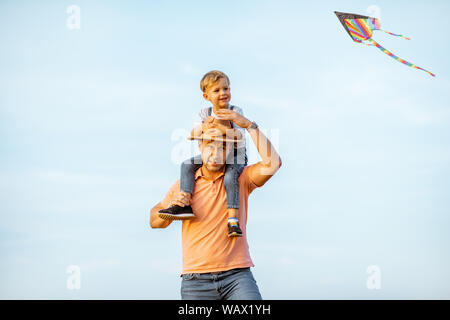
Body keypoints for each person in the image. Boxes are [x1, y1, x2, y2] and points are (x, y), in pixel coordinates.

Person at [150, 109, 282, 300]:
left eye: (223, 147)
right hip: (195, 281)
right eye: (210, 146)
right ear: (200, 147)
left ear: (231, 150)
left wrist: (249, 126)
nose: (216, 154)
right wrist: (170, 206)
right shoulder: (184, 185)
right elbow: (154, 220)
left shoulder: (241, 179)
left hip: (237, 277)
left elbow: (273, 163)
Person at [158, 70, 248, 237]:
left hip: (235, 155)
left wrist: (219, 128)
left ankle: (233, 220)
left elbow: (239, 136)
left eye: (226, 88)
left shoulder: (235, 111)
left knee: (230, 177)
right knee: (187, 164)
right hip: (213, 155)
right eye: (217, 90)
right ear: (206, 96)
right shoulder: (204, 114)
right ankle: (184, 200)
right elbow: (193, 134)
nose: (223, 93)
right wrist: (204, 127)